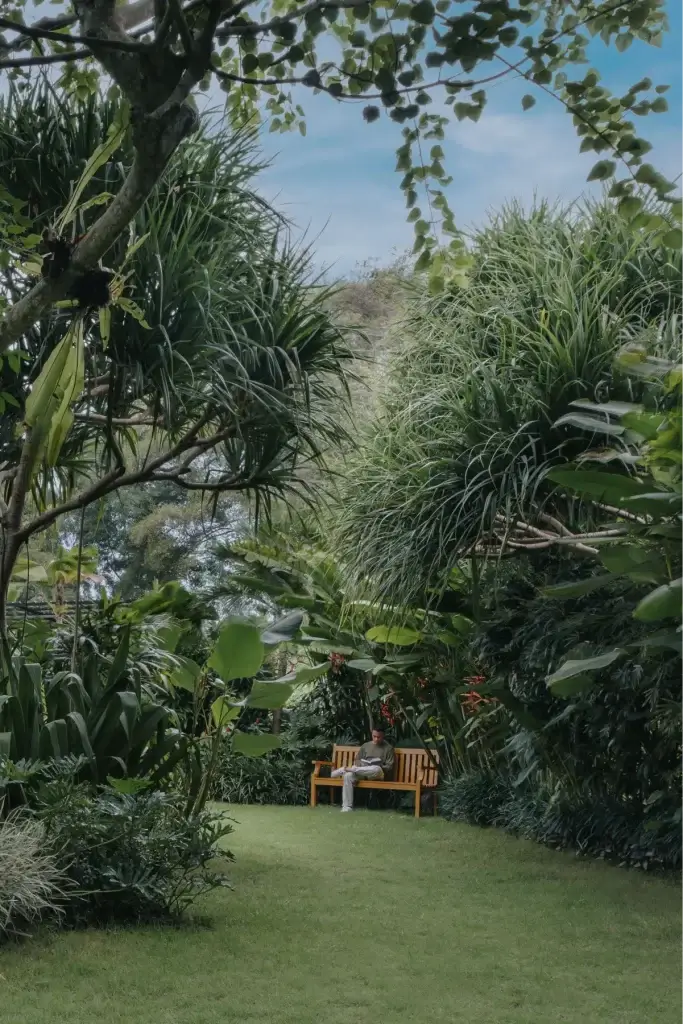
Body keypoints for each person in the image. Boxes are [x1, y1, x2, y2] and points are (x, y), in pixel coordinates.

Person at [331, 726, 395, 812]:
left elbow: (389, 766)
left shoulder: (388, 748)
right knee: (348, 776)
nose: (376, 739)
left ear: (383, 736)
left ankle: (347, 769)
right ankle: (347, 807)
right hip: (363, 772)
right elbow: (357, 760)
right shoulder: (366, 746)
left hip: (378, 774)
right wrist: (361, 764)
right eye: (374, 736)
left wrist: (379, 766)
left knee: (376, 768)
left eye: (378, 737)